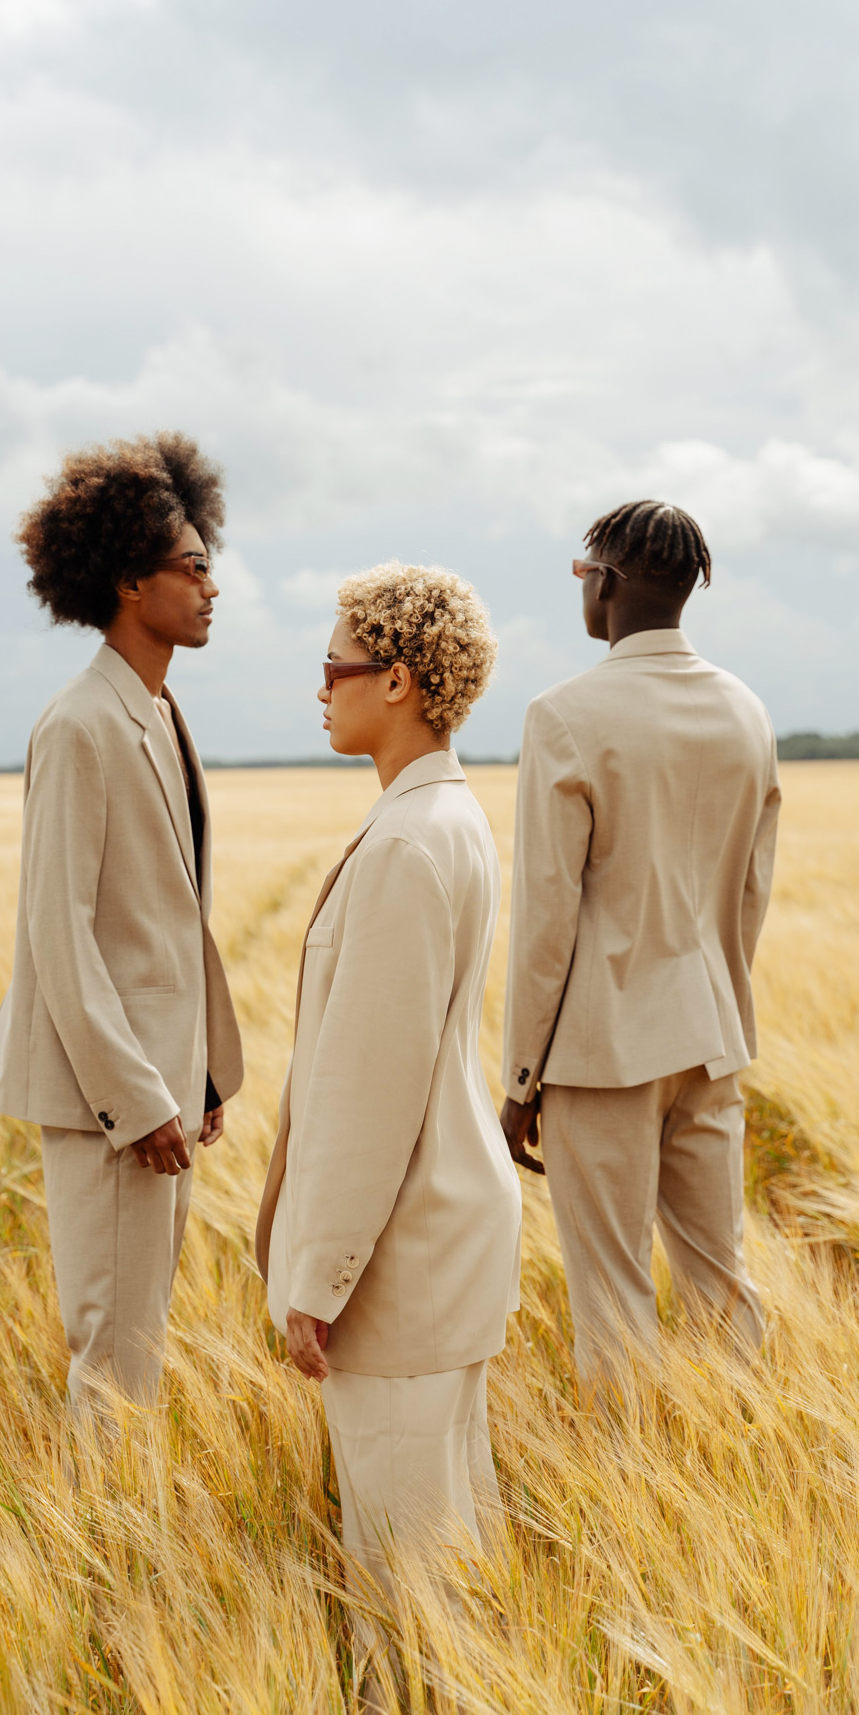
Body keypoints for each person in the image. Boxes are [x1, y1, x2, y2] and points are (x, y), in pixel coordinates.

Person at [255, 562, 521, 1637]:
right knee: (448, 1557)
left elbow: (371, 1092)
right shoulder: (444, 818)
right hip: (438, 1233)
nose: (320, 688)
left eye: (335, 665)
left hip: (402, 1259)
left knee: (409, 1591)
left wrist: (317, 1277)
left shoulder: (409, 842)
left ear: (400, 681)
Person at [0, 432, 243, 1412]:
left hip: (159, 1091)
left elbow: (164, 921)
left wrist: (199, 1073)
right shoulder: (83, 724)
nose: (213, 587)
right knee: (115, 1361)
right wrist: (138, 1097)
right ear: (130, 580)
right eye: (195, 566)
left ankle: (125, 1540)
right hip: (112, 1103)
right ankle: (108, 1555)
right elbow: (62, 933)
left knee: (137, 1346)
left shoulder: (157, 713)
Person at [500, 500, 779, 1387]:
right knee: (721, 1283)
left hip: (599, 1053)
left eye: (583, 572)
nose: (579, 588)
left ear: (611, 583)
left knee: (613, 1301)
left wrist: (519, 1083)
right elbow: (749, 895)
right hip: (710, 1037)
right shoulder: (746, 710)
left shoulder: (564, 715)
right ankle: (742, 1472)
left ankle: (630, 1489)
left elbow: (547, 917)